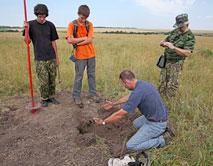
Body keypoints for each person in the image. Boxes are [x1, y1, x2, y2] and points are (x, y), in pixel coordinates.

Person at [94, 70, 175, 152]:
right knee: (136, 124)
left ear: (127, 82)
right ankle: (162, 128)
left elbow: (120, 114)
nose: (124, 87)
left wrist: (103, 122)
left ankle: (162, 140)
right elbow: (130, 96)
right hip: (156, 116)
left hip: (156, 123)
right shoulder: (141, 84)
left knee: (131, 146)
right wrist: (114, 104)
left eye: (123, 84)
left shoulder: (137, 92)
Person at [23, 4, 60, 107]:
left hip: (51, 57)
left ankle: (52, 97)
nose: (42, 18)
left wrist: (57, 58)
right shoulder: (30, 25)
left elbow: (53, 42)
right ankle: (44, 99)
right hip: (40, 58)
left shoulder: (50, 25)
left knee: (52, 79)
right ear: (36, 14)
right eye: (40, 16)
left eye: (44, 16)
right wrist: (26, 30)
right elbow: (27, 42)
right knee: (43, 80)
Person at [66, 5, 99, 108]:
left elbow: (90, 40)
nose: (83, 20)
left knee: (91, 75)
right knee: (79, 76)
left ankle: (92, 94)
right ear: (78, 14)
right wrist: (84, 38)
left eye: (85, 18)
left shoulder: (90, 24)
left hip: (91, 54)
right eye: (82, 18)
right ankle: (76, 96)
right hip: (79, 56)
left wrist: (78, 42)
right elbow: (69, 40)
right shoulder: (72, 25)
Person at [158, 13, 196, 98]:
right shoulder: (174, 32)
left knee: (172, 85)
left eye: (181, 26)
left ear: (187, 24)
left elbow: (187, 53)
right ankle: (160, 100)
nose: (179, 28)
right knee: (162, 82)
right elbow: (163, 42)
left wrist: (173, 47)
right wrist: (164, 43)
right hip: (166, 61)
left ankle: (169, 104)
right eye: (178, 26)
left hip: (176, 63)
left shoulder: (190, 36)